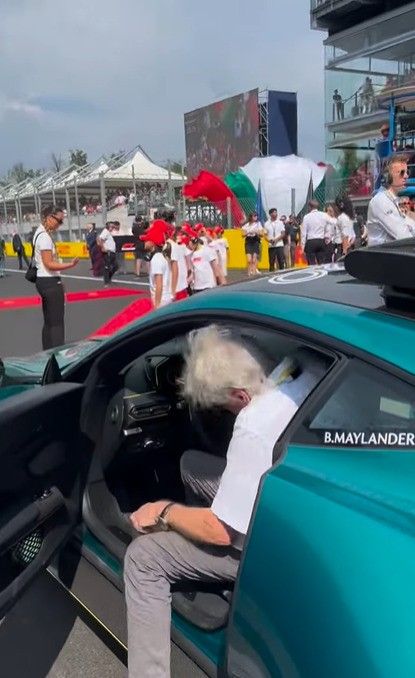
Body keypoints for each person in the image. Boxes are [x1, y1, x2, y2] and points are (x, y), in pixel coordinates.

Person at [124, 325, 301, 678]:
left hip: (261, 548)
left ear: (239, 396)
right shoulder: (292, 371)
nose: (224, 412)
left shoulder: (252, 426)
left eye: (222, 405)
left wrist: (163, 511)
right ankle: (200, 568)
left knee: (142, 558)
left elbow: (221, 532)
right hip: (284, 506)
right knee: (191, 463)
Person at [33, 206, 79, 350]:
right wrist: (70, 264)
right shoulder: (45, 237)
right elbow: (49, 264)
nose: (60, 224)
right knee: (57, 323)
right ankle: (57, 355)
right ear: (49, 217)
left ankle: (47, 352)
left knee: (49, 321)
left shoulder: (38, 233)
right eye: (59, 220)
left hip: (43, 280)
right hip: (49, 281)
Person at [366, 155, 415, 245]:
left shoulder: (398, 200)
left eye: (407, 172)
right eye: (401, 172)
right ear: (388, 176)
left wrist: (411, 214)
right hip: (383, 257)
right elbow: (404, 236)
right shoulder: (380, 201)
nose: (406, 176)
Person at [140, 221, 173, 309]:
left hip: (161, 300)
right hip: (165, 298)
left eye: (147, 240)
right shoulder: (161, 256)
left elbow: (159, 284)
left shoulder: (156, 259)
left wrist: (157, 306)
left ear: (152, 243)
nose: (145, 242)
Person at [301, 200, 329, 265]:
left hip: (311, 241)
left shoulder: (306, 217)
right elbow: (327, 229)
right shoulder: (324, 215)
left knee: (311, 263)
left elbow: (303, 233)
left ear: (309, 207)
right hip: (321, 240)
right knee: (322, 263)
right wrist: (327, 240)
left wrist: (303, 246)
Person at [170, 227, 192, 301]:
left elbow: (189, 262)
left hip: (180, 278)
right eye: (179, 234)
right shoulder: (180, 246)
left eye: (181, 234)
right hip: (181, 277)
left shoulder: (181, 246)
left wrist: (189, 271)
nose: (180, 236)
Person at [98, 222, 119, 287]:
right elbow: (100, 239)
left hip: (112, 252)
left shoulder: (108, 232)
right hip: (108, 252)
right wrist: (102, 247)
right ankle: (106, 282)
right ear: (108, 227)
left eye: (113, 227)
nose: (113, 228)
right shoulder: (105, 231)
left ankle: (108, 278)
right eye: (111, 227)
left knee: (116, 266)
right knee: (107, 267)